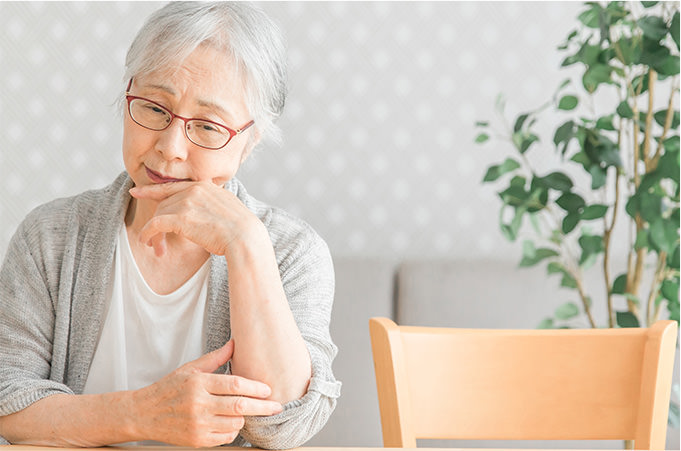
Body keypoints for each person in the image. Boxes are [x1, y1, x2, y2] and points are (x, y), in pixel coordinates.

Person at [0, 2, 340, 448]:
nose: (170, 147)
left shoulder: (293, 252)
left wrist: (246, 244)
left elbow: (283, 428)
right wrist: (140, 415)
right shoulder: (50, 236)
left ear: (249, 142)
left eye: (206, 126)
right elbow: (8, 399)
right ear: (128, 95)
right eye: (155, 108)